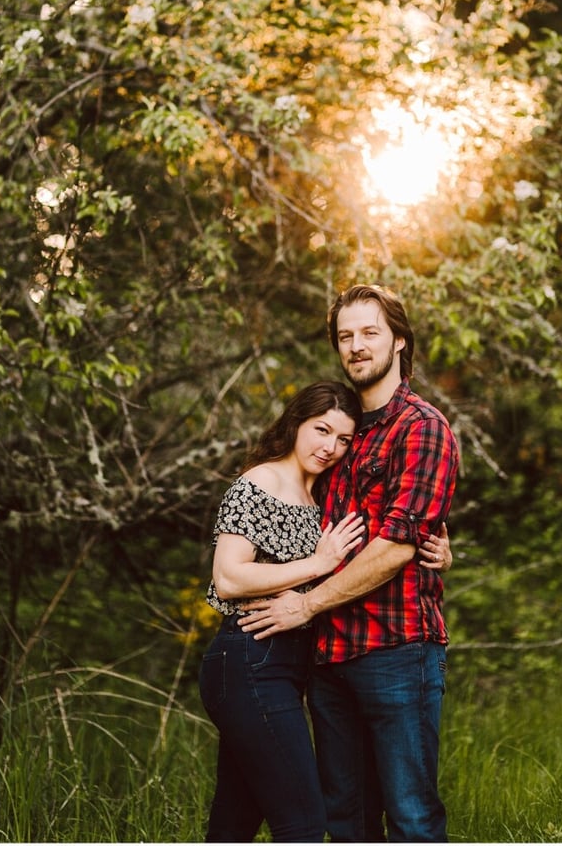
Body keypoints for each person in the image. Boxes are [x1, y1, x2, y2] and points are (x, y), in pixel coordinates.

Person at [239, 284, 459, 843]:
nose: (356, 346)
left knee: (411, 817)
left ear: (399, 341)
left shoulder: (422, 427)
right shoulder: (338, 430)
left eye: (370, 333)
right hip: (327, 656)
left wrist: (305, 605)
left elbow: (397, 545)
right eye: (345, 336)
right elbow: (287, 508)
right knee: (347, 821)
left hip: (396, 651)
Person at [199, 379, 451, 843]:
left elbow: (396, 519)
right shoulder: (260, 482)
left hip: (292, 663)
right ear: (296, 423)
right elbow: (228, 578)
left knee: (235, 819)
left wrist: (436, 546)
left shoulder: (324, 490)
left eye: (343, 439)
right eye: (321, 430)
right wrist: (317, 564)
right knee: (303, 822)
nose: (330, 447)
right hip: (250, 656)